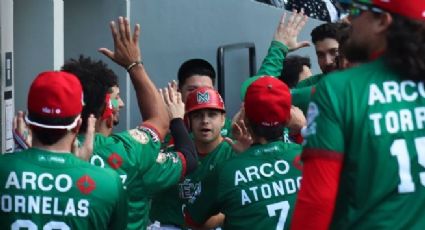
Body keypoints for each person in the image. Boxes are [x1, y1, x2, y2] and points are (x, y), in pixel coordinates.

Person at [291, 0, 425, 229]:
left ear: (382, 21)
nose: (347, 19)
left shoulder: (338, 89)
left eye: (355, 11)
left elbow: (317, 201)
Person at [61, 17, 198, 230]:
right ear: (106, 106)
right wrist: (133, 64)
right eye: (116, 96)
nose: (122, 103)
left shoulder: (45, 150)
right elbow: (167, 131)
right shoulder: (130, 153)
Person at [0, 71, 127, 229]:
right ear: (78, 124)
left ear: (28, 122)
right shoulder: (108, 183)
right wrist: (80, 169)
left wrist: (21, 155)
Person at [184, 76, 302, 229]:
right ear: (289, 119)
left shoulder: (226, 169)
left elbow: (192, 219)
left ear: (244, 118)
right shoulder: (310, 157)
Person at [150, 87, 238, 229]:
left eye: (212, 114)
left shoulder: (233, 153)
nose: (205, 121)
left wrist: (217, 218)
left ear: (223, 119)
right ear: (189, 121)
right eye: (198, 115)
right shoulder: (174, 151)